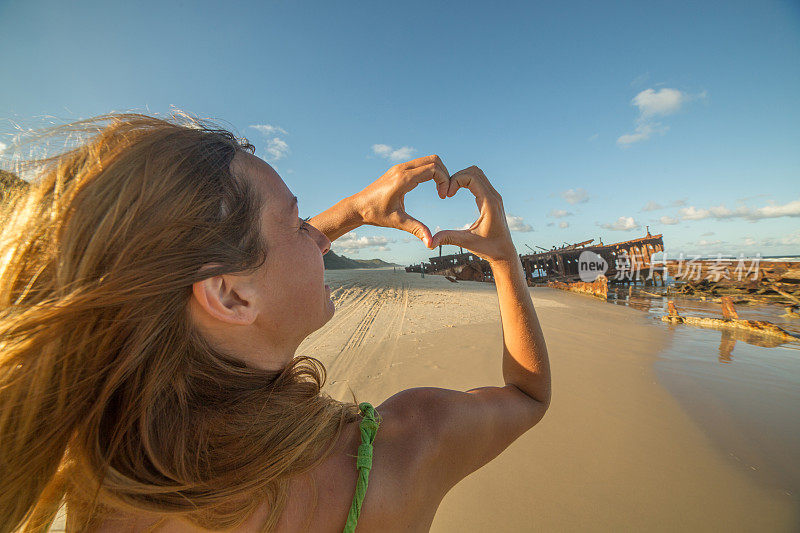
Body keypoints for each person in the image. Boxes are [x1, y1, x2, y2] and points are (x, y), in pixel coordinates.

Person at [0, 112, 550, 533]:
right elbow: (527, 396)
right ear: (230, 297)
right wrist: (502, 254)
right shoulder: (407, 444)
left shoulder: (101, 468)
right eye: (296, 222)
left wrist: (357, 209)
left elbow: (252, 261)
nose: (319, 236)